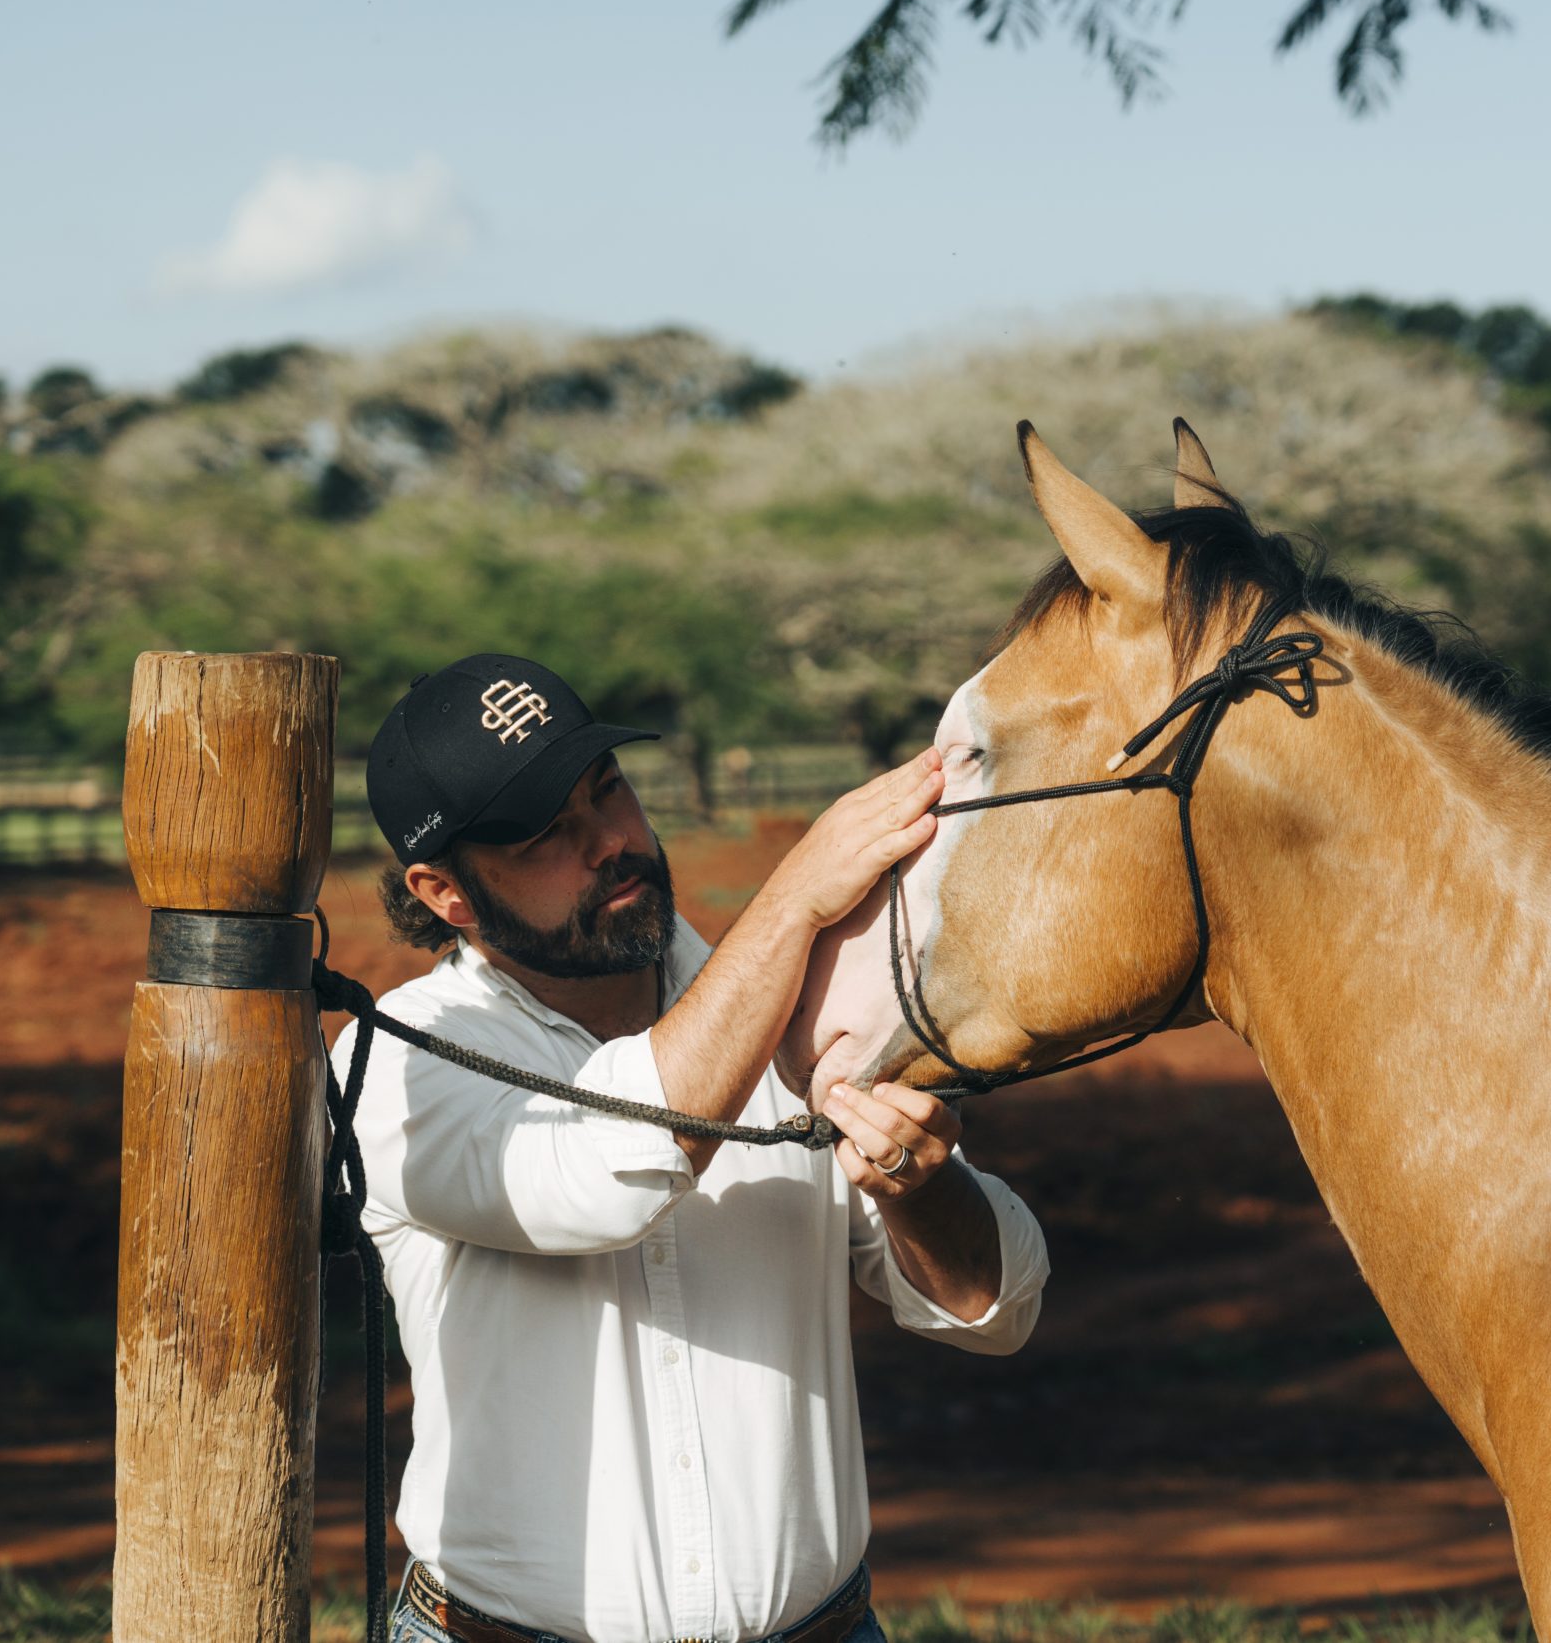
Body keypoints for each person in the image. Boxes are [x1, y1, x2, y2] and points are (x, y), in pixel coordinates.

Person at [343, 652, 1051, 1643]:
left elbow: (996, 1309)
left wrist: (919, 1189)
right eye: (549, 834)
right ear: (444, 891)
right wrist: (795, 896)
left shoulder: (797, 1019)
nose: (610, 843)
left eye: (608, 792)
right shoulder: (399, 1064)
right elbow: (601, 1180)